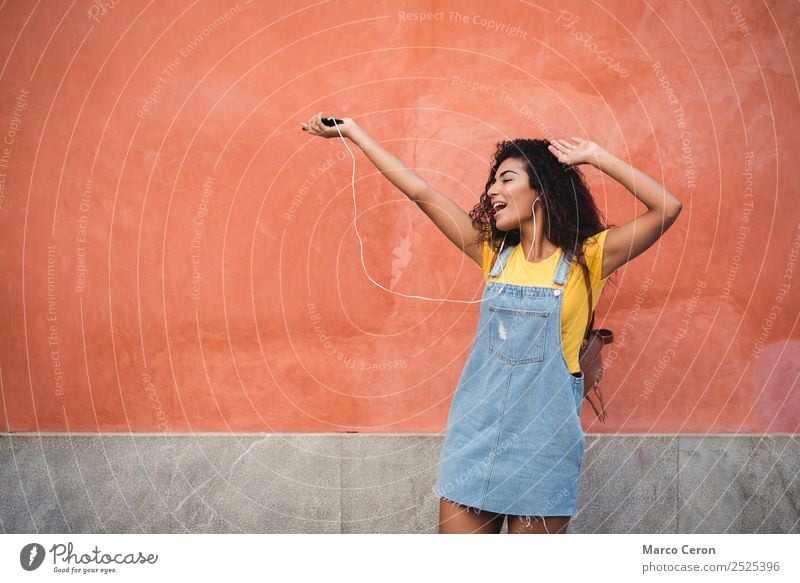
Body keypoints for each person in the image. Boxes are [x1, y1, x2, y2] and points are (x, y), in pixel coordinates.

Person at [300, 113, 682, 534]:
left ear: (542, 189)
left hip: (544, 445)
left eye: (506, 179)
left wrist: (595, 156)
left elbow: (667, 207)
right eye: (492, 182)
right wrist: (354, 133)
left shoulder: (589, 257)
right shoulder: (493, 254)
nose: (492, 190)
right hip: (475, 439)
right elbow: (419, 191)